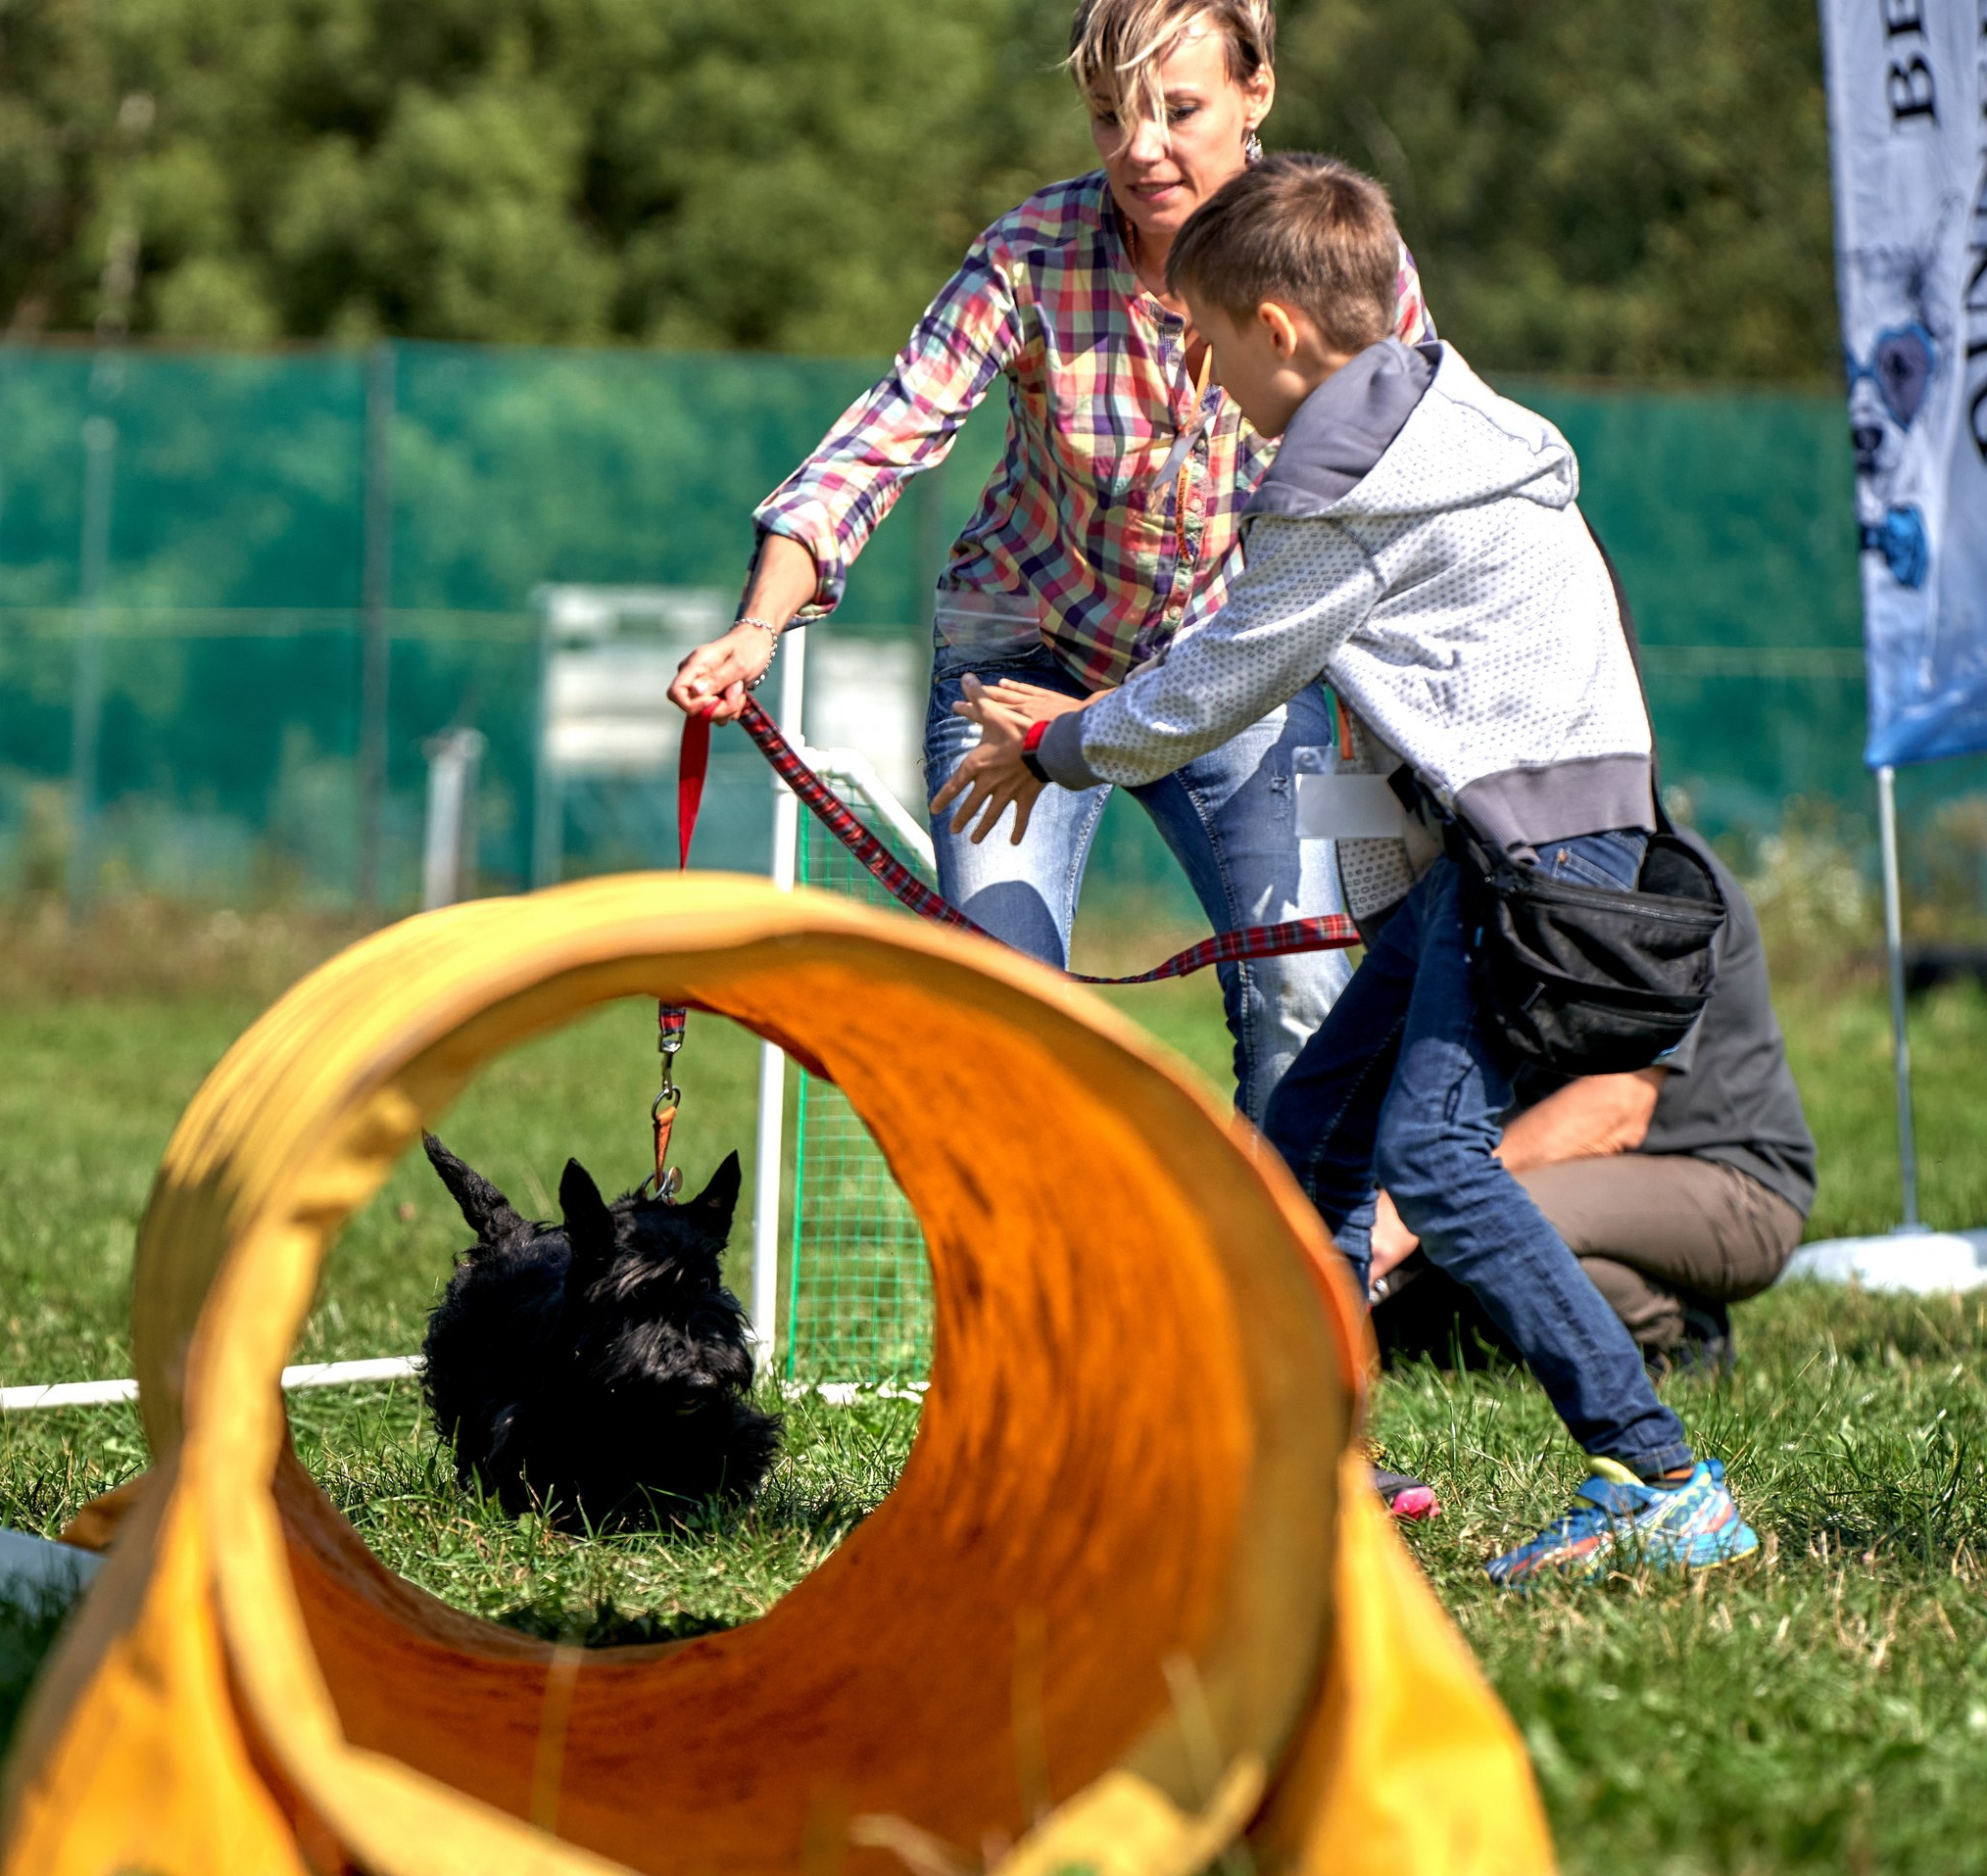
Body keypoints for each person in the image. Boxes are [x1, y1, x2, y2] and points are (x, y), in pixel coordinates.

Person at [940, 153, 1759, 1584]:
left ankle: (1658, 1471)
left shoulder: (1342, 487)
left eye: (1204, 346)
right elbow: (1403, 705)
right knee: (1305, 1136)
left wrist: (1063, 745)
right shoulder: (1454, 419)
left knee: (1434, 1164)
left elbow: (1224, 679)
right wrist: (1382, 903)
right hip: (1526, 842)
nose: (1202, 382)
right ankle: (1305, 1455)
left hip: (1534, 858)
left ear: (1275, 330)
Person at [665, 0, 1434, 1122]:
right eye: (1109, 116)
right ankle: (1036, 1290)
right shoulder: (1033, 254)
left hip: (1242, 671)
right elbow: (883, 434)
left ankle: (1290, 1282)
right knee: (1003, 1016)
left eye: (1178, 110)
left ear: (1255, 92)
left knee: (1305, 985)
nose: (1141, 149)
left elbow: (1421, 467)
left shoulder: (1339, 255)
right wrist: (757, 626)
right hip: (1024, 668)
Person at [1370, 836, 1817, 1376]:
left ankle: (1670, 1326)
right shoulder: (1506, 866)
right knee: (1428, 1273)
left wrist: (1422, 1197)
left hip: (1733, 1187)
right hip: (1581, 1176)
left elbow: (1617, 1109)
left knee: (1477, 1222)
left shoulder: (1668, 881)